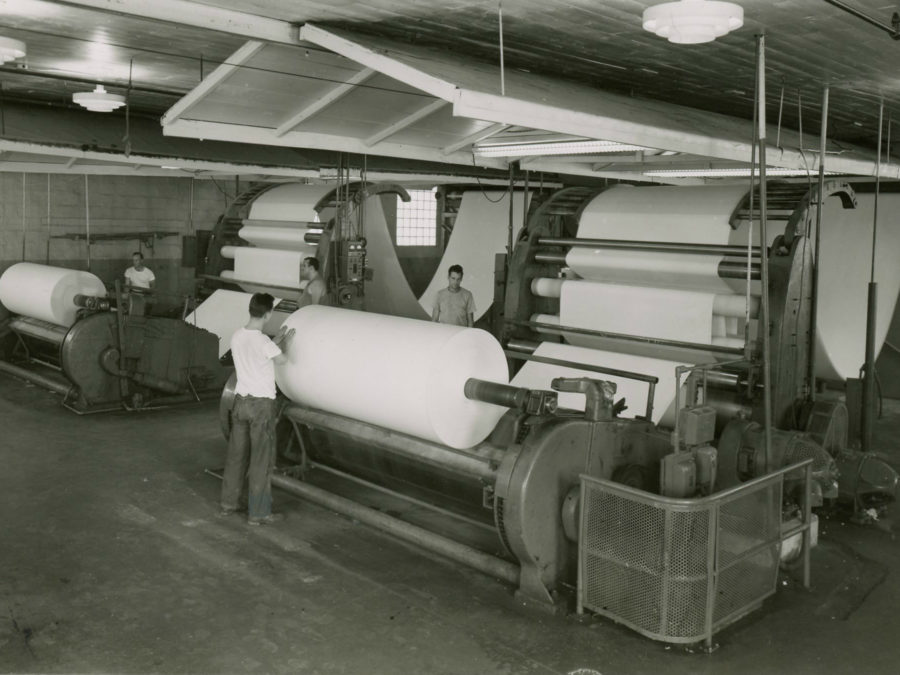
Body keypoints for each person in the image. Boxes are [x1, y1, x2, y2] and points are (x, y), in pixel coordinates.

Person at [220, 293, 295, 526]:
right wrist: (284, 344)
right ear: (268, 314)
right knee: (261, 460)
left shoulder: (237, 336)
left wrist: (276, 342)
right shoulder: (264, 342)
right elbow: (281, 360)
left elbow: (259, 354)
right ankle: (259, 513)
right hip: (261, 407)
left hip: (240, 403)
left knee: (236, 456)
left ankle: (228, 504)